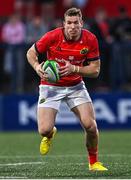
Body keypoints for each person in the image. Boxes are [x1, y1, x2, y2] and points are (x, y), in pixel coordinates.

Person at [26, 7, 108, 171]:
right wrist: (36, 66)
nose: (72, 26)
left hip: (75, 86)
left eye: (76, 23)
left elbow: (95, 70)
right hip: (50, 86)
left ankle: (94, 163)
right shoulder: (52, 36)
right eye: (69, 23)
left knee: (90, 126)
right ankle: (50, 134)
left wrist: (75, 69)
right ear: (64, 24)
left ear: (81, 23)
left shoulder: (90, 39)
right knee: (44, 130)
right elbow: (30, 53)